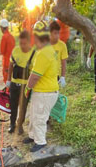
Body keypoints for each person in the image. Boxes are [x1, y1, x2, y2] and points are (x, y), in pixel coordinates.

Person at [21, 21, 59, 152]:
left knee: (39, 118)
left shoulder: (44, 53)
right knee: (33, 115)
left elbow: (35, 75)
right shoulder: (47, 50)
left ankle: (40, 141)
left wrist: (27, 88)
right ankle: (33, 136)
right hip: (43, 91)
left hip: (45, 92)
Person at [7, 30, 35, 134]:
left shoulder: (33, 54)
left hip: (26, 85)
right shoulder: (15, 51)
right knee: (13, 105)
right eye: (21, 43)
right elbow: (10, 65)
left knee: (23, 106)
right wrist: (8, 80)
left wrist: (32, 85)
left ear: (29, 42)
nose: (22, 46)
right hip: (14, 83)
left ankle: (20, 125)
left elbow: (34, 71)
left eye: (25, 43)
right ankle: (12, 124)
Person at [48, 21, 68, 89]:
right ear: (50, 33)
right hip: (43, 75)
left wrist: (63, 77)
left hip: (55, 76)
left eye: (58, 33)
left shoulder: (62, 45)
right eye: (55, 33)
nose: (57, 35)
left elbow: (63, 62)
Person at [0, 19, 16, 84]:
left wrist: (0, 52)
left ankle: (7, 93)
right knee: (11, 79)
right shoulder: (12, 37)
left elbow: (2, 51)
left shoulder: (4, 37)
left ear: (1, 28)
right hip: (13, 61)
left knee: (6, 79)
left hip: (6, 61)